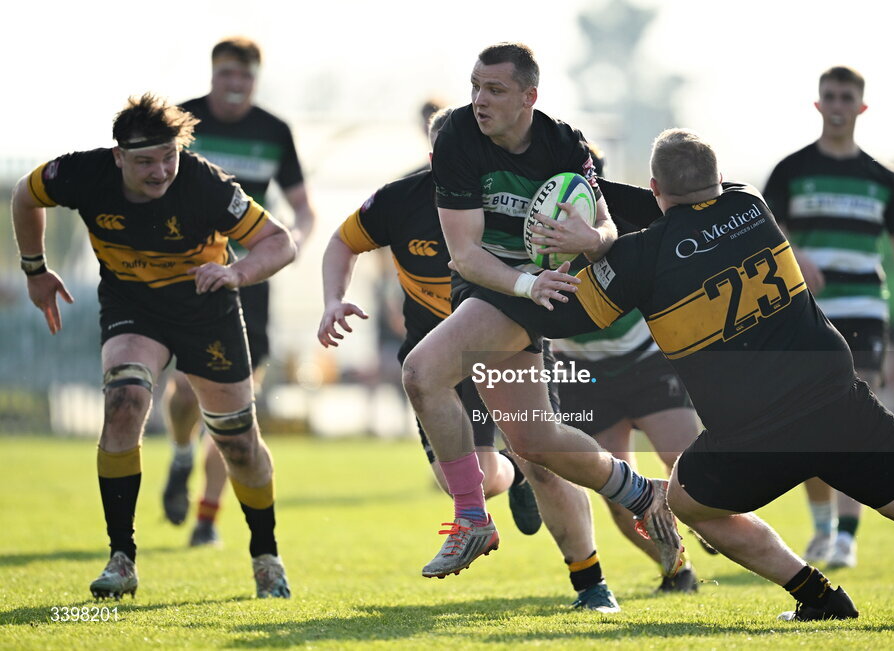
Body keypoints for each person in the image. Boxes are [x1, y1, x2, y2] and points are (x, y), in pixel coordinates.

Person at [475, 127, 894, 621]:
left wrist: (582, 247)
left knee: (685, 503)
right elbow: (685, 219)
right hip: (836, 405)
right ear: (717, 178)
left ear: (654, 188)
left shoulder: (640, 260)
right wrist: (603, 240)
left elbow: (565, 311)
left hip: (750, 437)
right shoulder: (751, 204)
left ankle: (816, 595)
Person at [400, 43, 684, 601]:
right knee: (535, 439)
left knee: (422, 372)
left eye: (495, 90)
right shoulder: (456, 135)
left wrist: (591, 240)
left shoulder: (562, 142)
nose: (479, 100)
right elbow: (463, 253)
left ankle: (471, 519)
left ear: (529, 97)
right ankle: (641, 493)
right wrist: (526, 283)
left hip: (543, 287)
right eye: (475, 86)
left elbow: (603, 225)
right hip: (496, 284)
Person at [318, 106, 620, 612]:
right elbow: (341, 243)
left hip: (502, 338)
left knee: (545, 459)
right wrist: (332, 299)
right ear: (439, 156)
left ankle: (592, 582)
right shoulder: (400, 199)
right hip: (435, 353)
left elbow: (581, 230)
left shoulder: (512, 197)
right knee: (475, 474)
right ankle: (511, 473)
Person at [11, 93, 296, 599]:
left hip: (206, 309)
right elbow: (23, 196)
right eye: (145, 161)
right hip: (133, 306)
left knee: (238, 442)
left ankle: (266, 555)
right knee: (124, 402)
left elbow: (279, 242)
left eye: (169, 157)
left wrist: (236, 272)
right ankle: (122, 558)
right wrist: (35, 270)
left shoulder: (205, 183)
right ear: (118, 156)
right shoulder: (80, 175)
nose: (161, 170)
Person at [763, 66, 894, 569]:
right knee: (808, 425)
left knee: (847, 419)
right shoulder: (790, 171)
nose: (838, 103)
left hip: (865, 312)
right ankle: (824, 528)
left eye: (847, 96)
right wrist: (795, 257)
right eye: (830, 95)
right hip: (806, 314)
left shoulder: (883, 180)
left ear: (861, 107)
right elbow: (762, 237)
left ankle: (846, 535)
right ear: (819, 104)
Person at [160, 36, 317, 548]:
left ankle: (206, 520)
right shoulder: (181, 120)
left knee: (235, 409)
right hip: (187, 277)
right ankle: (182, 454)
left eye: (245, 77)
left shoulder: (274, 132)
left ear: (256, 78)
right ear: (213, 73)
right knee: (186, 391)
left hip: (248, 284)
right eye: (227, 74)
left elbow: (303, 210)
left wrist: (281, 250)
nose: (236, 85)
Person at [553, 144, 704, 593]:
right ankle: (677, 569)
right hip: (585, 374)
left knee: (691, 467)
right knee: (620, 498)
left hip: (644, 357)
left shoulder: (628, 216)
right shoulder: (531, 229)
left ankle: (715, 522)